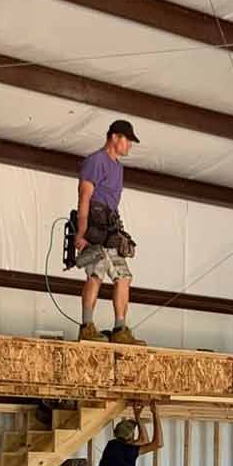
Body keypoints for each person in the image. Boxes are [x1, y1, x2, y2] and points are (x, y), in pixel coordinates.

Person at [73, 119, 142, 346]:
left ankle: (120, 328)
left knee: (124, 276)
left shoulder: (118, 167)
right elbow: (84, 196)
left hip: (110, 227)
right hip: (94, 225)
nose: (129, 145)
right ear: (115, 137)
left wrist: (118, 230)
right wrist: (82, 232)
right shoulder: (96, 161)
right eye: (127, 140)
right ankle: (86, 326)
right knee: (96, 273)